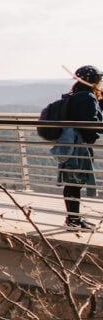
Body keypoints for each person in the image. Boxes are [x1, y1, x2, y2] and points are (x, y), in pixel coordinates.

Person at [55, 65, 102, 230]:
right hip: (80, 146)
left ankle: (73, 219)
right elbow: (92, 124)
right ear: (92, 81)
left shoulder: (72, 96)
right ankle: (74, 221)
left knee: (71, 182)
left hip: (67, 144)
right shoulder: (88, 98)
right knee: (76, 182)